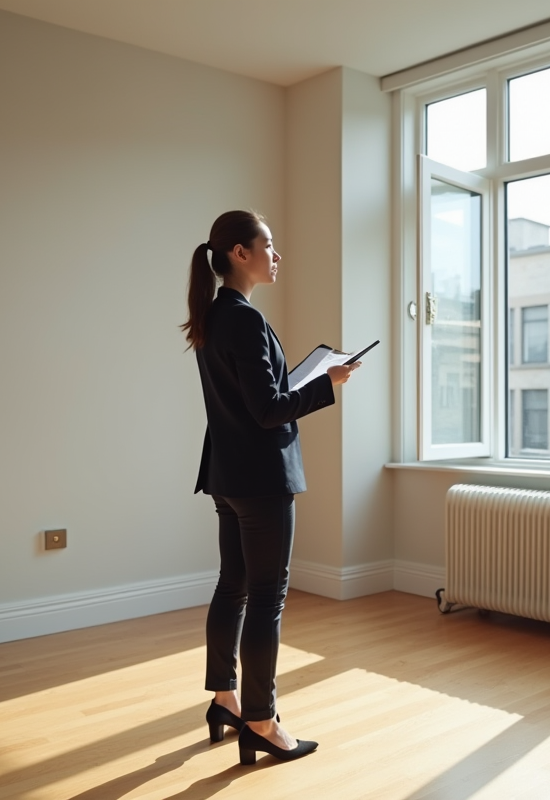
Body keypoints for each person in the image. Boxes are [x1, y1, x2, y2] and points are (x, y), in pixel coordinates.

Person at [182, 210, 360, 766]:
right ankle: (260, 720)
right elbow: (267, 410)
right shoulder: (245, 320)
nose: (276, 255)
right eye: (269, 245)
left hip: (227, 475)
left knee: (232, 585)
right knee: (265, 596)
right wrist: (326, 383)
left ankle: (225, 700)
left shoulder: (213, 316)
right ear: (240, 253)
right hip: (260, 478)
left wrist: (297, 382)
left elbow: (249, 400)